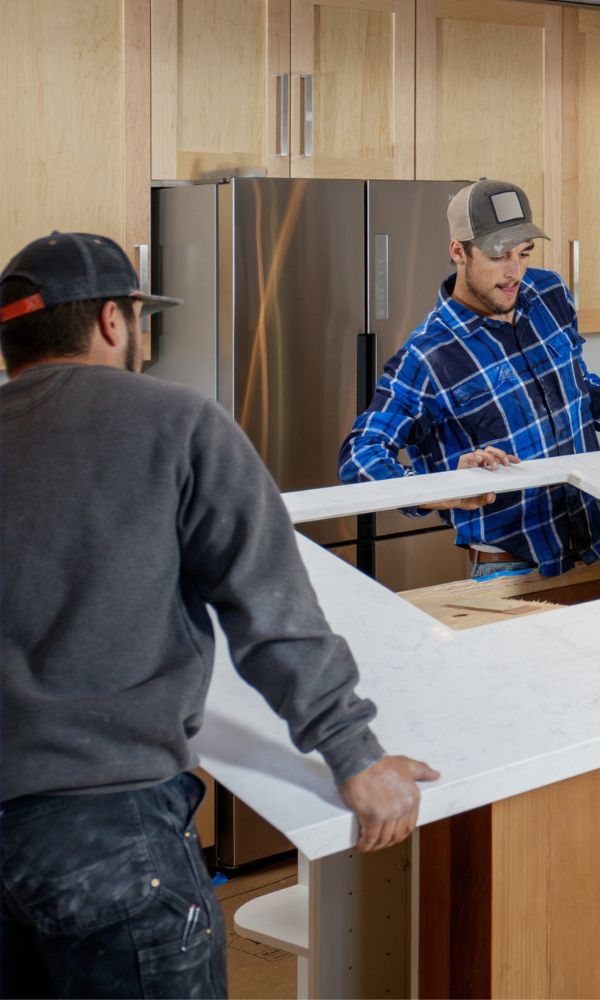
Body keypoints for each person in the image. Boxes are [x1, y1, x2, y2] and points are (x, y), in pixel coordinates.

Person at [1, 232, 437, 999]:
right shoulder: (177, 423)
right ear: (112, 320)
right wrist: (355, 754)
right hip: (109, 832)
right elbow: (269, 608)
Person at [338, 180, 600, 580]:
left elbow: (574, 382)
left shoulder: (548, 293)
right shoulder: (428, 356)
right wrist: (437, 489)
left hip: (593, 544)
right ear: (458, 251)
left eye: (523, 254)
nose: (514, 273)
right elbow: (359, 455)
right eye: (497, 256)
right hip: (510, 570)